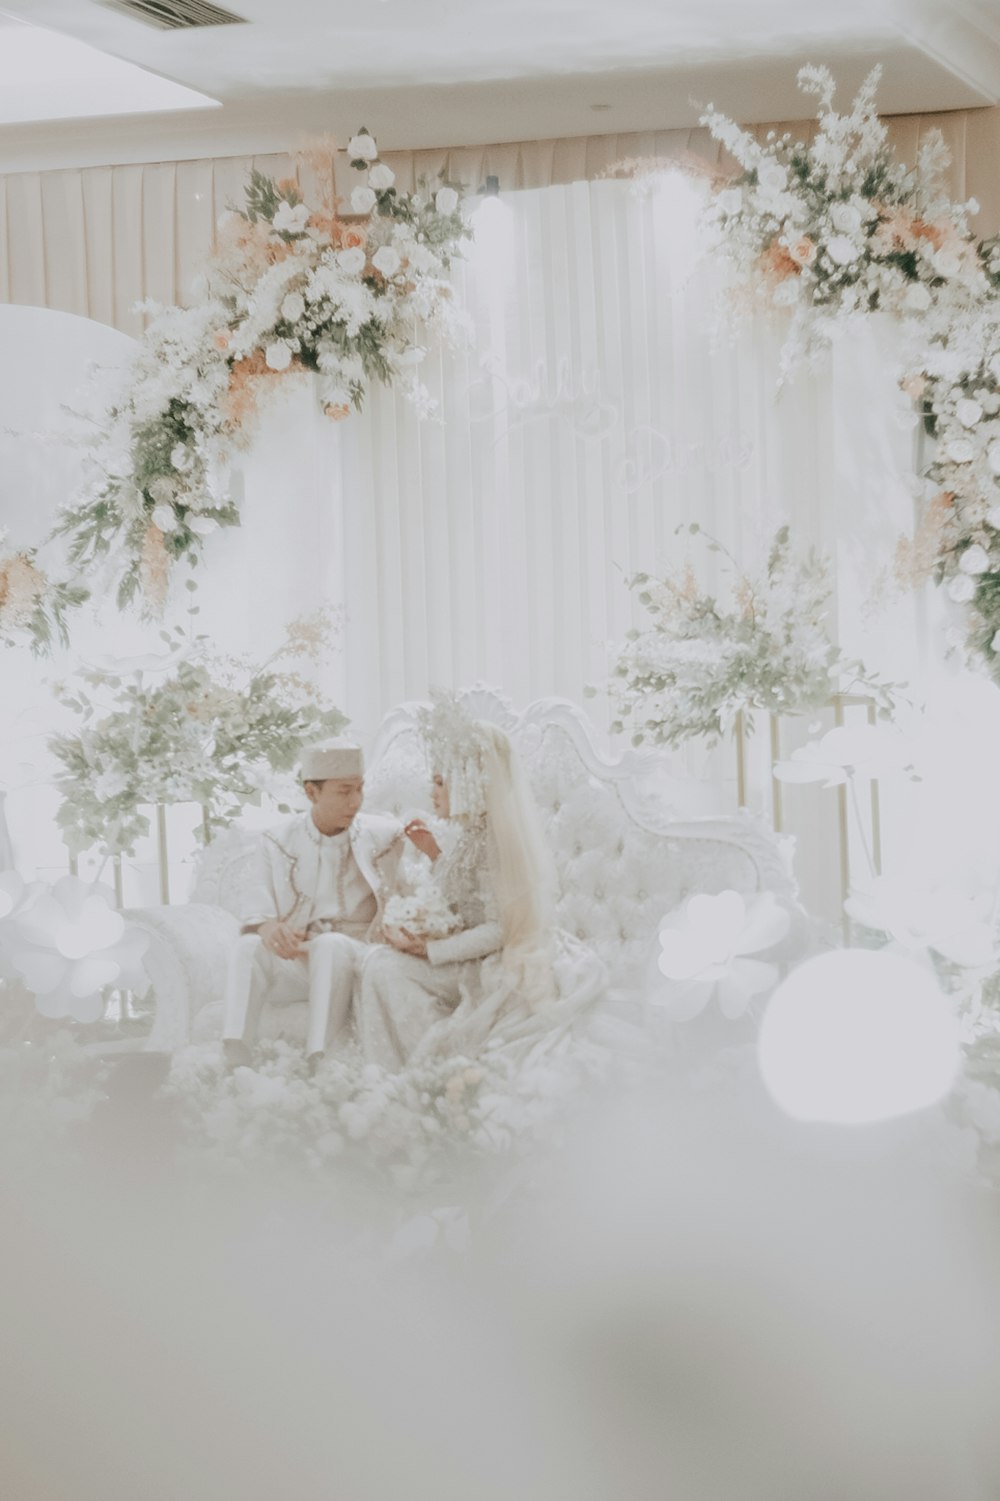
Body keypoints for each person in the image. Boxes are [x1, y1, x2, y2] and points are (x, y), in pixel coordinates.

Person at [355, 693, 605, 1070]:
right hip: (469, 952)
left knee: (381, 967)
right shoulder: (473, 832)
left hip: (495, 961)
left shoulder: (495, 840)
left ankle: (425, 1071)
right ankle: (407, 1069)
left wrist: (427, 950)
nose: (432, 792)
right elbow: (464, 895)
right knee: (377, 961)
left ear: (467, 784)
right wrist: (435, 855)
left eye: (440, 782)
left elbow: (498, 927)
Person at [221, 738, 404, 1066]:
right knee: (247, 946)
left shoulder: (387, 837)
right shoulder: (275, 840)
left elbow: (416, 892)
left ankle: (318, 1058)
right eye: (344, 791)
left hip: (354, 955)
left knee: (331, 944)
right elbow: (255, 904)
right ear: (311, 792)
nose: (355, 802)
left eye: (359, 789)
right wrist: (268, 927)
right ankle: (235, 1053)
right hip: (296, 957)